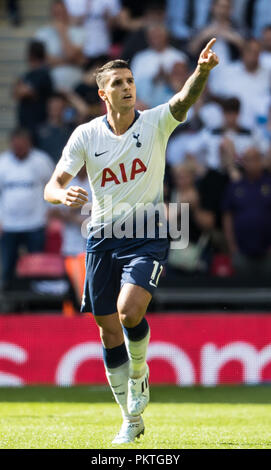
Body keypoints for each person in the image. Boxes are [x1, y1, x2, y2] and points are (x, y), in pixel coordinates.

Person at [44, 39, 219, 443]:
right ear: (103, 93)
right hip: (103, 236)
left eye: (131, 81)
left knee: (128, 312)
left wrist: (202, 72)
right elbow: (52, 186)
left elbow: (183, 98)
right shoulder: (85, 136)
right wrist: (61, 195)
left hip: (147, 232)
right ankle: (130, 418)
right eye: (119, 83)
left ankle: (139, 374)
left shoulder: (155, 121)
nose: (128, 87)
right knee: (107, 332)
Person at [0, 128, 54, 290]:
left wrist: (50, 211)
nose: (19, 150)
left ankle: (35, 298)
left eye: (22, 147)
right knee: (8, 264)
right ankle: (7, 300)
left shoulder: (41, 161)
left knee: (37, 264)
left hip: (35, 222)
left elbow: (52, 185)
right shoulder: (3, 163)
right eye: (16, 147)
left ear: (29, 144)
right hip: (9, 224)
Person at [13, 40, 53, 135]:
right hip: (26, 122)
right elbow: (15, 92)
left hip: (37, 123)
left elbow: (25, 92)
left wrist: (21, 88)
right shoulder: (29, 74)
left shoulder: (43, 74)